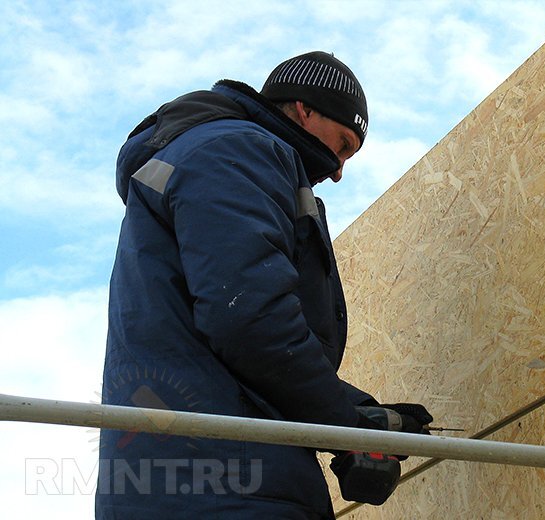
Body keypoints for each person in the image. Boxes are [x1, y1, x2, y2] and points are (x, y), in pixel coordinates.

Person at [96, 51, 431, 519]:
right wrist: (350, 425)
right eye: (342, 144)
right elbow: (248, 318)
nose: (337, 171)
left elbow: (235, 338)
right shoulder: (238, 150)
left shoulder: (211, 153)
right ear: (304, 109)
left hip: (189, 479)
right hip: (228, 484)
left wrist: (363, 414)